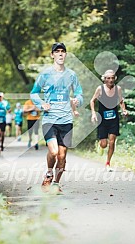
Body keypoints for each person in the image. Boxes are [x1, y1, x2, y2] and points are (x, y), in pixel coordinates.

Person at [30, 42, 83, 192]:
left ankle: (56, 184)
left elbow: (79, 93)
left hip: (66, 119)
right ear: (52, 55)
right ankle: (48, 172)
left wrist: (78, 100)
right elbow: (34, 93)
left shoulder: (72, 75)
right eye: (57, 51)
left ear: (65, 54)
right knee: (53, 152)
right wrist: (41, 104)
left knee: (62, 156)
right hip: (50, 119)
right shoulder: (45, 74)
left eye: (63, 51)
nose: (60, 54)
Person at [90, 69, 128, 171]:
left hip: (114, 119)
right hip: (102, 120)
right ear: (104, 79)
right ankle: (100, 145)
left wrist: (124, 110)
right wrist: (93, 113)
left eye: (112, 78)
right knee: (104, 144)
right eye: (108, 78)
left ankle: (108, 163)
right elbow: (92, 101)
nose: (110, 80)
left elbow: (121, 101)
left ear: (115, 78)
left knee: (112, 142)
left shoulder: (118, 89)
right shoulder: (100, 89)